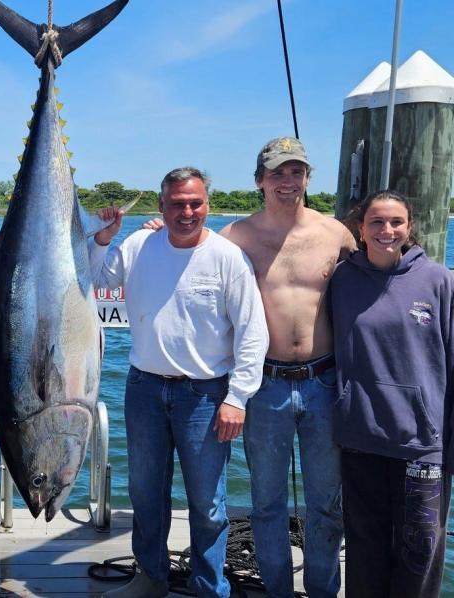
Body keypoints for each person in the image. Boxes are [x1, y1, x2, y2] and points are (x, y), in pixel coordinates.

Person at [93, 167, 268, 598]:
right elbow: (96, 280)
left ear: (207, 204)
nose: (186, 212)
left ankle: (210, 587)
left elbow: (252, 332)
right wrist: (102, 237)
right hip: (145, 389)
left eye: (195, 203)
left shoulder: (228, 257)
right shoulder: (137, 244)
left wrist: (238, 398)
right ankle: (149, 578)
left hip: (206, 396)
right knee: (146, 495)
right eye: (177, 204)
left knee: (208, 504)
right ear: (161, 206)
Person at [220, 137, 355, 598]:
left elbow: (378, 280)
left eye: (296, 172)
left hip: (325, 381)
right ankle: (276, 591)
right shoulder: (236, 236)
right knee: (267, 504)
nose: (287, 181)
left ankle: (322, 591)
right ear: (259, 180)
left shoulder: (336, 233)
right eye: (277, 172)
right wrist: (153, 231)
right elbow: (190, 261)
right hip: (265, 385)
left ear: (308, 178)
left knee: (326, 505)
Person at [330, 190, 454, 598]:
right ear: (360, 229)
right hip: (360, 438)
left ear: (410, 227)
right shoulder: (342, 278)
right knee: (365, 551)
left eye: (396, 222)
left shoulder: (439, 280)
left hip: (422, 444)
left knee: (419, 553)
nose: (387, 230)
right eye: (377, 222)